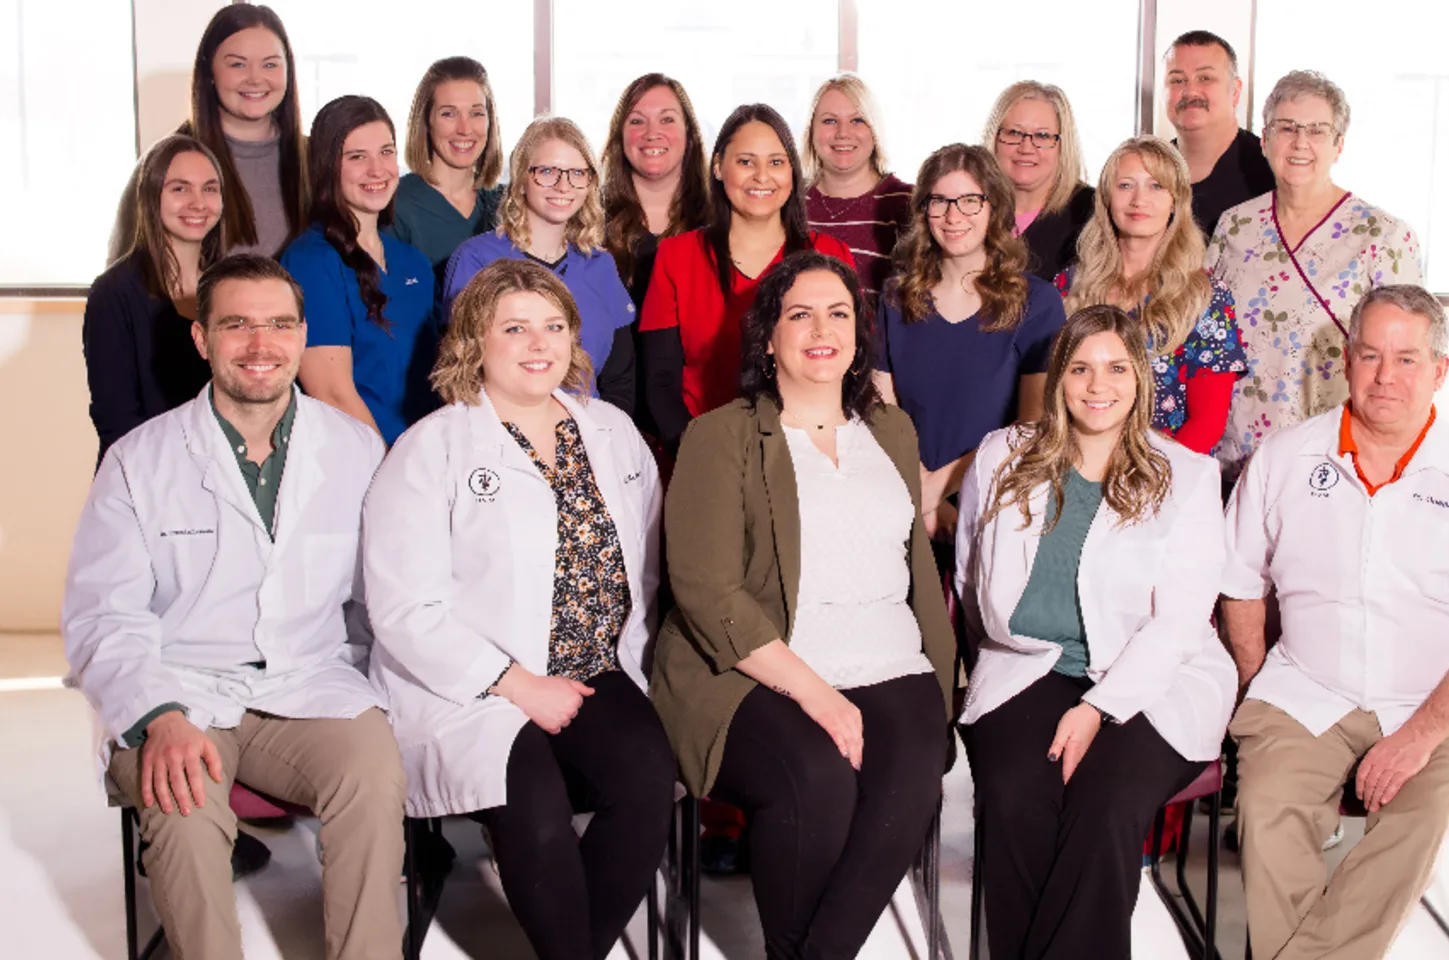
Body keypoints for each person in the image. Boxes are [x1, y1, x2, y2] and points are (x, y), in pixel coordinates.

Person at [61, 254, 406, 960]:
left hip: (306, 684)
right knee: (182, 803)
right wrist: (157, 719)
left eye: (280, 325)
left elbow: (381, 597)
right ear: (201, 338)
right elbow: (102, 616)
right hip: (177, 689)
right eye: (238, 325)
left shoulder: (355, 448)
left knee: (372, 772)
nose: (260, 345)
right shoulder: (137, 461)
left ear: (304, 336)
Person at [1222, 285, 1449, 960]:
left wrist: (1417, 738)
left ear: (1440, 371)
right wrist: (1257, 688)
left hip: (1436, 708)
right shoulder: (1283, 460)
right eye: (1370, 355)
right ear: (1346, 359)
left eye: (1406, 359)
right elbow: (1240, 585)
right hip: (1306, 690)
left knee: (1421, 817)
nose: (1385, 376)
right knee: (1266, 809)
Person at [649, 251, 956, 959]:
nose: (823, 328)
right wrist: (819, 696)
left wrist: (940, 684)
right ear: (768, 336)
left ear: (859, 334)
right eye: (800, 313)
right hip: (757, 667)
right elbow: (705, 589)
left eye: (839, 312)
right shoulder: (720, 435)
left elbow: (914, 570)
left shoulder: (891, 431)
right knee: (813, 779)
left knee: (910, 779)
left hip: (890, 656)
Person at [366, 260, 672, 960]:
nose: (539, 344)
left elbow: (648, 567)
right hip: (477, 688)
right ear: (476, 340)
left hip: (599, 669)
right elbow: (403, 609)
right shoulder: (429, 450)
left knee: (649, 781)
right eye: (515, 328)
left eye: (554, 326)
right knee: (535, 814)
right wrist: (517, 684)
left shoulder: (612, 432)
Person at [956, 303, 1236, 960]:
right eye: (1080, 368)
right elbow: (973, 575)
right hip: (1028, 664)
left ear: (1140, 379)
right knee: (1015, 796)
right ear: (1058, 379)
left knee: (1104, 808)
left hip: (1154, 679)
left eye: (1115, 368)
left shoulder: (1187, 475)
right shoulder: (1002, 456)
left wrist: (1096, 710)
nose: (1097, 385)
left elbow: (1178, 623)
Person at [1207, 70, 1423, 480]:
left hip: (1331, 463)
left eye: (1317, 131)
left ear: (1339, 144)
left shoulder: (1382, 236)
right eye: (1287, 128)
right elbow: (1206, 334)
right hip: (1234, 461)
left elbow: (1405, 362)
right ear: (1266, 139)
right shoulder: (1235, 226)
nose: (1301, 142)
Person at [875, 144, 1066, 540]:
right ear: (923, 211)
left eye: (969, 201)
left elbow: (1030, 428)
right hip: (905, 504)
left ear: (994, 207)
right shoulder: (895, 298)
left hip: (998, 509)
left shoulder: (1037, 303)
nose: (953, 215)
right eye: (940, 201)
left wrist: (940, 490)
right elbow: (883, 416)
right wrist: (922, 498)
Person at [639, 104, 854, 451]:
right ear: (718, 166)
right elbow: (659, 382)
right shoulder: (675, 257)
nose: (762, 176)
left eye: (776, 162)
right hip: (699, 451)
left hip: (805, 454)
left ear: (792, 172)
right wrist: (702, 456)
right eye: (746, 161)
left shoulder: (831, 257)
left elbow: (849, 369)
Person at [1056, 136, 1246, 456]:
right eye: (1126, 185)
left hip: (1166, 480)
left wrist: (1145, 482)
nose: (1139, 200)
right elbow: (1049, 398)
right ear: (1106, 197)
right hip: (1076, 468)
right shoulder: (1067, 287)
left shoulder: (1206, 298)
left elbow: (1207, 423)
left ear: (1176, 200)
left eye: (1156, 186)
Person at [444, 117, 637, 415]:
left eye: (577, 173)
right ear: (521, 179)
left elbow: (619, 379)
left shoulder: (600, 265)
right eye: (547, 171)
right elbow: (461, 371)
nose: (563, 185)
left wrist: (600, 436)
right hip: (500, 437)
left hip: (587, 432)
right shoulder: (476, 259)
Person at [281, 95, 441, 444]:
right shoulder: (311, 262)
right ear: (327, 166)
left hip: (429, 459)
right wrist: (392, 470)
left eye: (386, 152)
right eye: (357, 157)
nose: (377, 169)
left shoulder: (413, 262)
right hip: (366, 464)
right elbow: (331, 393)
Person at [108, 4, 308, 262]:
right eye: (237, 64)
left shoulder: (318, 161)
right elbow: (124, 287)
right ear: (209, 72)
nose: (255, 78)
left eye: (270, 65)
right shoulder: (165, 165)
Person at [86, 135, 223, 462]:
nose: (198, 202)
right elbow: (116, 418)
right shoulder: (114, 292)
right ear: (150, 196)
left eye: (209, 188)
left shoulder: (229, 285)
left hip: (219, 476)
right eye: (179, 189)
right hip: (144, 478)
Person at [393, 56, 505, 290]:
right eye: (448, 114)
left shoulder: (505, 204)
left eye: (476, 113)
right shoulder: (397, 206)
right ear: (426, 121)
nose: (464, 129)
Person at [600, 73, 711, 308]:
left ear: (689, 134)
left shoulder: (720, 222)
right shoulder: (590, 223)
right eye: (637, 121)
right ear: (620, 136)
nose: (652, 133)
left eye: (667, 119)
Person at [802, 74, 913, 309]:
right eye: (830, 121)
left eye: (857, 120)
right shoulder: (789, 201)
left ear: (874, 130)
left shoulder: (907, 203)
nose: (843, 133)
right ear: (812, 131)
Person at [1164, 30, 1275, 238]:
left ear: (1235, 90)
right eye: (1177, 80)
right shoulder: (1149, 171)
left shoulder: (1270, 172)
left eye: (1205, 78)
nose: (1190, 91)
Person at [982, 82, 1095, 283]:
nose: (1026, 147)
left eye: (1042, 136)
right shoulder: (966, 207)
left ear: (1062, 145)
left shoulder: (1090, 211)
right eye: (1014, 133)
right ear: (994, 138)